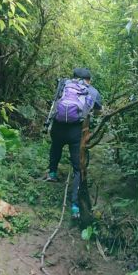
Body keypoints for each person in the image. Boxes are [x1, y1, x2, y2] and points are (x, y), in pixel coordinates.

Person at [45, 67, 102, 218]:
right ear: (88, 80)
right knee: (77, 167)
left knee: (55, 146)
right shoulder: (92, 90)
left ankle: (52, 173)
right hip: (76, 130)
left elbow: (56, 102)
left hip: (58, 126)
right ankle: (75, 206)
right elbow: (98, 110)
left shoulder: (64, 85)